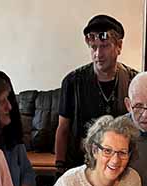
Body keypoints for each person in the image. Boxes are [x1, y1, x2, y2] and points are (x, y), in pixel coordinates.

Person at [55, 15, 138, 171]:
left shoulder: (134, 81)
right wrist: (59, 167)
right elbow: (63, 129)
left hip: (118, 167)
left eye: (105, 46)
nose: (98, 54)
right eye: (94, 47)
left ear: (119, 46)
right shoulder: (72, 81)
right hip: (80, 166)